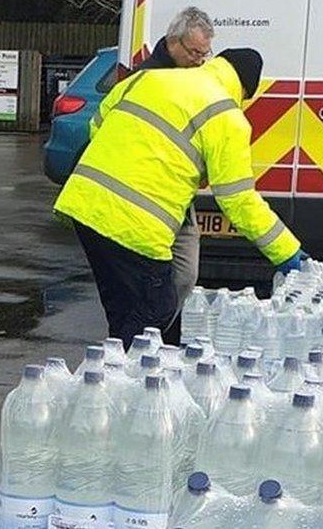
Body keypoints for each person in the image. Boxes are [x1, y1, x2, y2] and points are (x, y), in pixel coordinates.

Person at [54, 48, 307, 347]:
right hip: (134, 227)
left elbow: (97, 125)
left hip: (84, 206)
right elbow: (237, 199)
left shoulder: (148, 79)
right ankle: (114, 382)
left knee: (123, 312)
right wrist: (286, 252)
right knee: (154, 311)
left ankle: (111, 376)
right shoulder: (226, 115)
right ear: (245, 89)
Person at [135, 7, 215, 344]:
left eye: (205, 54)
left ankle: (162, 335)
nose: (200, 61)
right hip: (151, 195)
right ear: (173, 43)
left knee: (184, 275)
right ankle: (152, 342)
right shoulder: (149, 79)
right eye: (195, 53)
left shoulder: (193, 79)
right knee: (155, 279)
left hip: (178, 196)